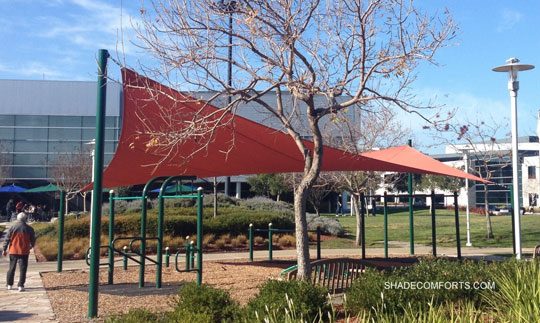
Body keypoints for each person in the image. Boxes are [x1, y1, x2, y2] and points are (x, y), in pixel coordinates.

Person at [2, 212, 36, 292]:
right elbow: (33, 240)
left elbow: (7, 239)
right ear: (25, 219)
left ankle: (9, 284)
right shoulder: (30, 229)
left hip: (13, 250)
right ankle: (21, 285)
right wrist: (31, 246)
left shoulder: (12, 227)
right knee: (23, 269)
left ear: (18, 218)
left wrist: (4, 249)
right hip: (24, 251)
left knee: (11, 268)